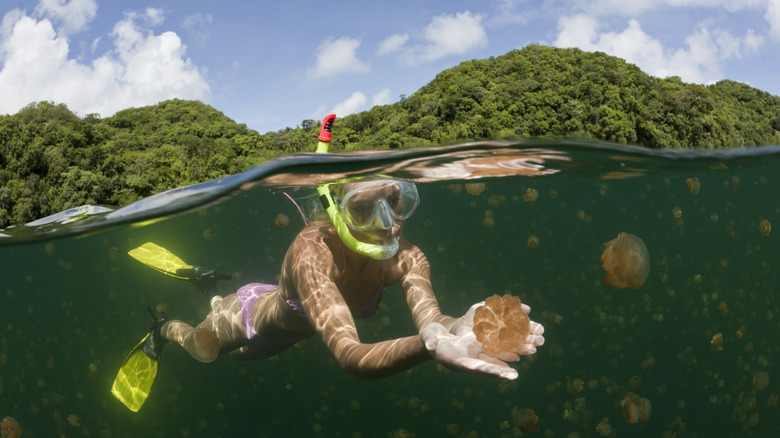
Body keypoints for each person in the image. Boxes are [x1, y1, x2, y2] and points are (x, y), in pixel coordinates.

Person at [111, 118, 545, 413]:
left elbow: (431, 317)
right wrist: (425, 347)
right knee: (203, 348)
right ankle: (164, 328)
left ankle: (206, 282)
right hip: (250, 321)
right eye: (366, 210)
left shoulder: (407, 258)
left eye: (397, 203)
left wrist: (455, 327)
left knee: (243, 340)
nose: (389, 225)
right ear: (335, 212)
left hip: (289, 329)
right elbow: (351, 356)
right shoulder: (311, 254)